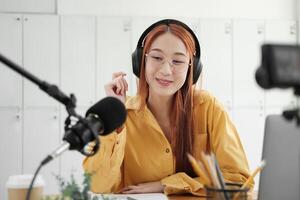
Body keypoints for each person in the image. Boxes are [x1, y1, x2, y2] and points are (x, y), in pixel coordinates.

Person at [83, 19, 252, 196]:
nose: (165, 70)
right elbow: (98, 186)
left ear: (191, 69)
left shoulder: (208, 107)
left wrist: (167, 184)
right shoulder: (124, 114)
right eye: (156, 57)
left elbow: (238, 179)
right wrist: (115, 118)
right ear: (141, 61)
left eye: (177, 61)